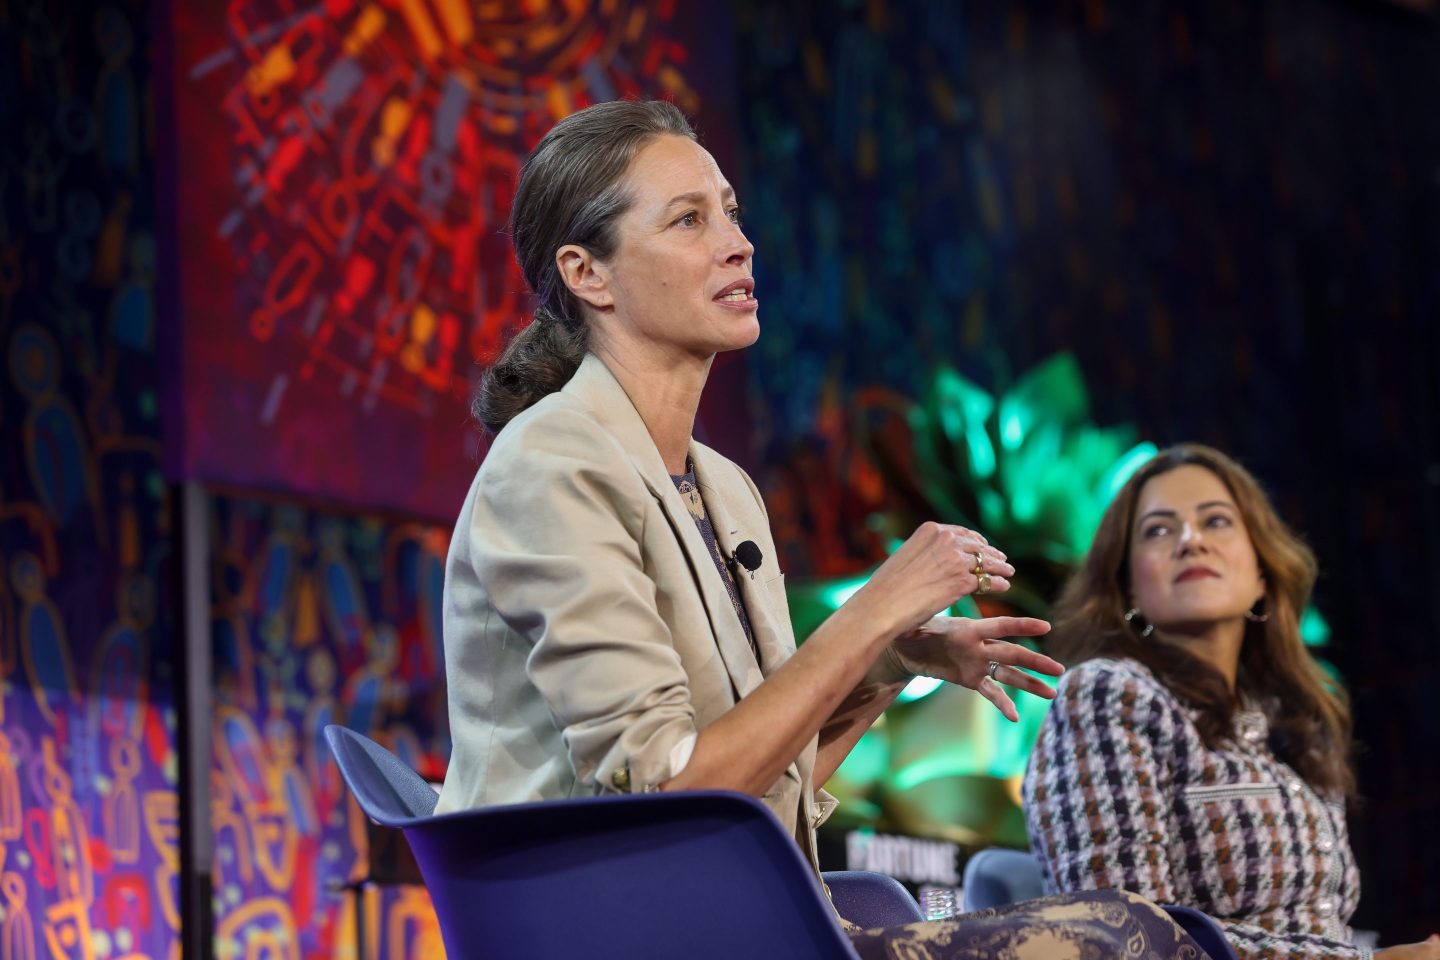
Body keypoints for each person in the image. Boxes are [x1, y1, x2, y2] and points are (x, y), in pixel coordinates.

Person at [436, 98, 1204, 958]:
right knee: (1126, 940)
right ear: (589, 273)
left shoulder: (720, 486)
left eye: (730, 211)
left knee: (1154, 934)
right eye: (689, 220)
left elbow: (758, 793)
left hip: (719, 907)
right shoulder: (551, 464)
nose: (737, 241)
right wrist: (871, 612)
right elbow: (666, 794)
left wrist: (893, 663)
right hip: (602, 926)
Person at [1023, 444, 1440, 960]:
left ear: (1262, 574)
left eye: (1216, 521)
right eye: (1158, 530)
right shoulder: (1106, 694)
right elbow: (1124, 934)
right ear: (1128, 586)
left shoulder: (1292, 723)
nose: (1190, 541)